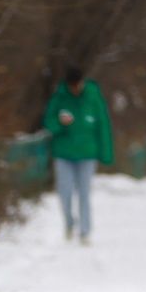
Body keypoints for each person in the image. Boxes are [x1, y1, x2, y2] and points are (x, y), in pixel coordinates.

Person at [42, 65, 114, 243]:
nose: (75, 88)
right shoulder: (59, 97)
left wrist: (105, 152)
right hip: (64, 154)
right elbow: (48, 122)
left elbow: (102, 125)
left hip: (87, 154)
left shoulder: (93, 97)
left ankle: (85, 231)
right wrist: (60, 123)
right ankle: (69, 222)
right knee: (64, 192)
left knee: (84, 193)